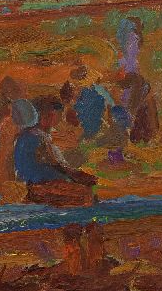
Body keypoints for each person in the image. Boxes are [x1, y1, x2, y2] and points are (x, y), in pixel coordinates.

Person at [12, 97, 102, 273]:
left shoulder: (34, 136)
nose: (57, 120)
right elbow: (58, 166)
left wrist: (77, 177)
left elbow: (59, 167)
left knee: (85, 199)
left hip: (47, 186)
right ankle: (89, 255)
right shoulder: (35, 137)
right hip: (42, 188)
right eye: (54, 116)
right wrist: (80, 177)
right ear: (43, 116)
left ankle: (84, 256)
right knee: (86, 197)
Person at [64, 63, 115, 141]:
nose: (77, 84)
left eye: (78, 81)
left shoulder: (88, 91)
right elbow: (110, 103)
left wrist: (73, 106)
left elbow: (81, 106)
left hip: (91, 119)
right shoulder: (91, 90)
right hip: (94, 119)